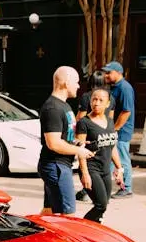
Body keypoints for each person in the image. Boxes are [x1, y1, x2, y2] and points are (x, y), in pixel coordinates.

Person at [39, 66, 93, 216]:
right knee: (67, 216)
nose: (78, 85)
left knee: (48, 212)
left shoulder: (65, 106)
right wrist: (79, 151)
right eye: (76, 82)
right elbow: (53, 143)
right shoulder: (53, 108)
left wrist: (75, 142)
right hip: (56, 166)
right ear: (66, 82)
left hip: (59, 166)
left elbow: (63, 137)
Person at [76, 88, 124, 223]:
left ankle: (94, 229)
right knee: (100, 205)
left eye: (100, 100)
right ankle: (83, 229)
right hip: (91, 169)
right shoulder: (84, 123)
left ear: (108, 104)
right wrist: (85, 173)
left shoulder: (109, 122)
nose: (96, 103)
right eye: (94, 99)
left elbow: (112, 146)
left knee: (103, 205)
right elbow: (80, 149)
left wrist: (119, 169)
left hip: (105, 170)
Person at [104, 61, 135, 198]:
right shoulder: (115, 87)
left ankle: (126, 188)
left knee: (122, 158)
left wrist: (115, 128)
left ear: (118, 73)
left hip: (121, 131)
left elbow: (126, 112)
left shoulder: (124, 88)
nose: (106, 75)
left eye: (109, 72)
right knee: (111, 159)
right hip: (115, 130)